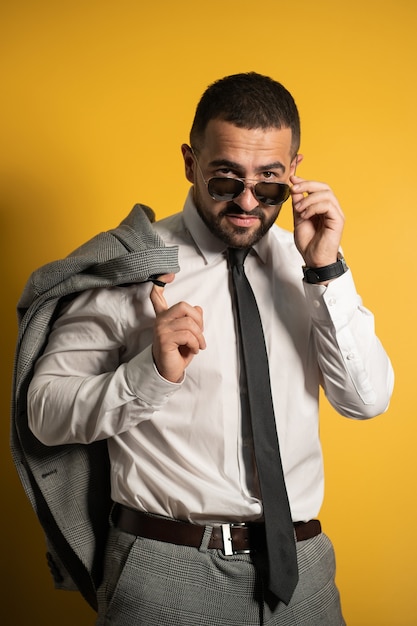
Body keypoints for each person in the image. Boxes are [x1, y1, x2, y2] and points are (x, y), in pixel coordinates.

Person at [25, 72, 394, 625]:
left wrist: (327, 271)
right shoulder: (131, 267)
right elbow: (44, 415)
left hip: (302, 570)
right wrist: (148, 372)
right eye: (225, 180)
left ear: (294, 170)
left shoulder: (312, 264)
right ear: (190, 162)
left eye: (268, 182)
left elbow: (365, 400)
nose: (247, 202)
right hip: (167, 572)